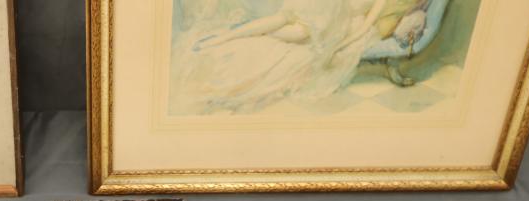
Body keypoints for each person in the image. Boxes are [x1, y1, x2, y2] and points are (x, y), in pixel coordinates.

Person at [175, 0, 429, 113]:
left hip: (340, 21)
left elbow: (366, 25)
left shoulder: (395, 4)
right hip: (332, 10)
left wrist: (341, 45)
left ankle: (233, 36)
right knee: (288, 23)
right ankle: (229, 36)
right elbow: (361, 20)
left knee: (292, 29)